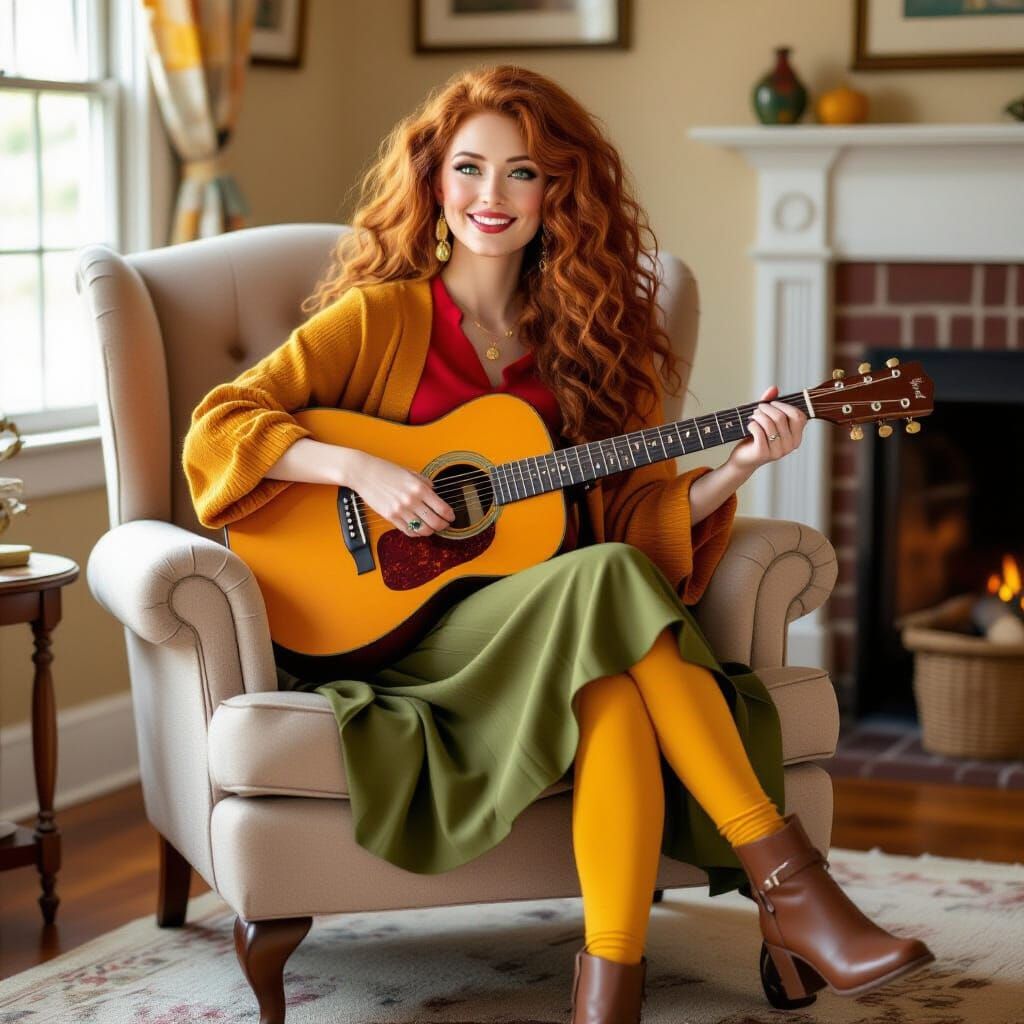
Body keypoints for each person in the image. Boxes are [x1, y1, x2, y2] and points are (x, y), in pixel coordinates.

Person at [182, 65, 933, 1024]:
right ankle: (793, 890)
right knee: (610, 600)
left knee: (615, 670)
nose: (490, 198)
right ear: (433, 183)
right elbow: (218, 426)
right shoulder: (380, 319)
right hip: (396, 642)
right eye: (468, 169)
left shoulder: (595, 339)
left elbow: (632, 532)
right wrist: (360, 471)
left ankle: (608, 992)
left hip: (545, 635)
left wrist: (739, 468)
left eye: (522, 173)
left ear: (559, 192)